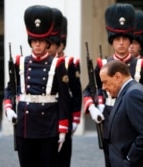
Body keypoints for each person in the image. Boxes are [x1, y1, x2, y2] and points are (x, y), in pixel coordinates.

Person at [83, 3, 143, 167]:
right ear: (111, 41)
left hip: (132, 122)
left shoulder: (142, 65)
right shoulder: (102, 64)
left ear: (131, 41)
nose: (121, 43)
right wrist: (93, 108)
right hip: (108, 119)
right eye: (117, 39)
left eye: (125, 39)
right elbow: (90, 90)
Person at [3, 5, 70, 167]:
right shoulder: (20, 63)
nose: (37, 45)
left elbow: (64, 98)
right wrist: (9, 108)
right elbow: (10, 89)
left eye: (41, 41)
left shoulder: (57, 64)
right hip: (25, 126)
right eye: (34, 41)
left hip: (48, 126)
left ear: (47, 43)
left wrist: (62, 128)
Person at [99, 60, 143, 167]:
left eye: (105, 82)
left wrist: (129, 160)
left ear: (118, 77)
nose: (103, 87)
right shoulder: (127, 92)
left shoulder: (133, 94)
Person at [57, 16, 82, 167]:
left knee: (63, 158)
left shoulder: (70, 63)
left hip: (66, 115)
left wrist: (76, 118)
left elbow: (77, 93)